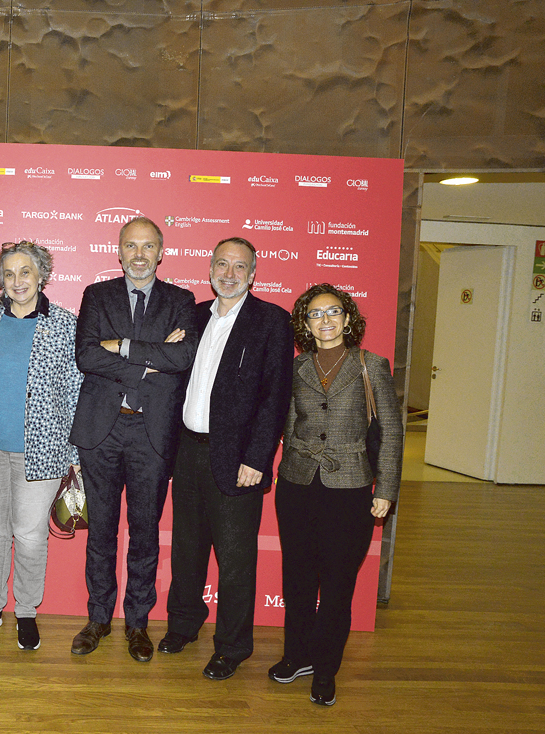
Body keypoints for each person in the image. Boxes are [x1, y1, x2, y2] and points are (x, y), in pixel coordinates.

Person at [160, 237, 294, 680]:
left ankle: (232, 647)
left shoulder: (271, 321)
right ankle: (183, 624)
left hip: (238, 460)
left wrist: (257, 458)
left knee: (235, 561)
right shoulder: (194, 316)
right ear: (210, 269)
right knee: (187, 549)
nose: (230, 274)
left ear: (253, 274)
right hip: (187, 452)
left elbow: (276, 398)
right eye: (222, 264)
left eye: (240, 266)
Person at [69, 216, 198, 662]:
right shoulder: (96, 294)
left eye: (148, 246)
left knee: (144, 533)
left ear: (161, 253)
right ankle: (98, 618)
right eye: (131, 246)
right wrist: (148, 364)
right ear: (119, 251)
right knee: (101, 533)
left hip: (152, 432)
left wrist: (121, 346)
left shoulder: (181, 300)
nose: (139, 255)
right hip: (101, 431)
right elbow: (86, 355)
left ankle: (138, 623)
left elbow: (182, 357)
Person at [273, 283, 403, 706]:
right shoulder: (297, 366)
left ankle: (325, 669)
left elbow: (391, 431)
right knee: (297, 579)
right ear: (305, 324)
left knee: (336, 584)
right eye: (315, 314)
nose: (324, 320)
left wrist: (385, 488)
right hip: (296, 484)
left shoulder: (371, 365)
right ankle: (297, 656)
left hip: (349, 488)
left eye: (333, 312)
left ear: (347, 319)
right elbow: (290, 421)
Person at [0, 242, 82, 650]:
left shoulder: (65, 325)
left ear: (41, 275)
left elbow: (75, 391)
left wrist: (75, 455)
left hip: (44, 451)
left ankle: (27, 611)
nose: (17, 281)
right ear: (0, 279)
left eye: (25, 272)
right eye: (9, 274)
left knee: (31, 536)